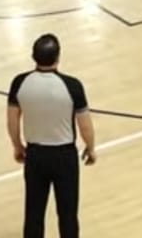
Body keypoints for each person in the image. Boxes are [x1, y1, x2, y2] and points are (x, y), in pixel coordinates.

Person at [7, 34, 95, 238]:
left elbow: (12, 121)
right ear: (58, 56)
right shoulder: (72, 86)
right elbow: (85, 126)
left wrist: (17, 146)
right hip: (64, 157)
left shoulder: (19, 83)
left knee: (34, 213)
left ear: (33, 56)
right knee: (68, 213)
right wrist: (90, 147)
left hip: (35, 155)